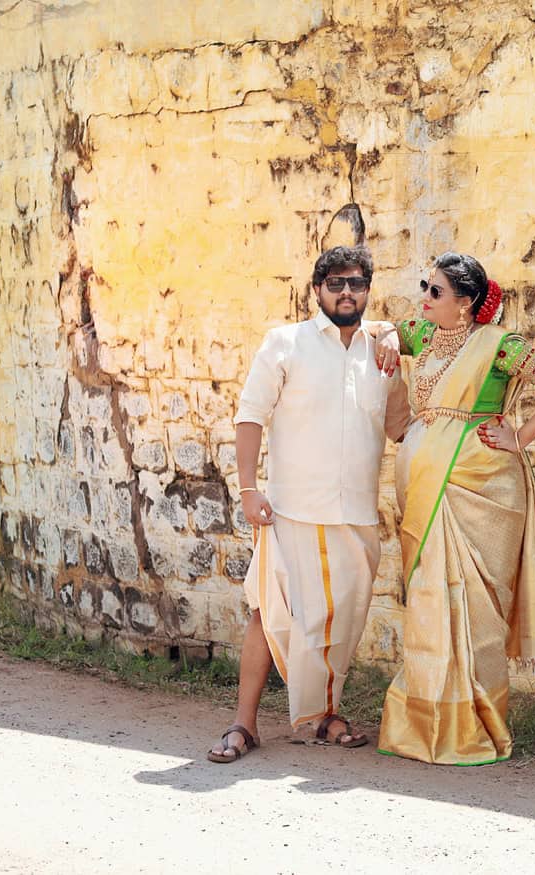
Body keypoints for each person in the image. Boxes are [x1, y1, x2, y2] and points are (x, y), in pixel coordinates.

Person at [377, 252, 535, 766]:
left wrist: (521, 437)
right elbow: (381, 331)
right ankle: (421, 725)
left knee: (477, 608)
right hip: (423, 482)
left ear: (465, 303)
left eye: (435, 292)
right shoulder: (423, 336)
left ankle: (477, 728)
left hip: (482, 485)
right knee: (429, 600)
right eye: (425, 288)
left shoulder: (500, 346)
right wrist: (383, 341)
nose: (424, 299)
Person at [208, 245, 408, 763]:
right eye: (336, 283)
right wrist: (249, 489)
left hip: (357, 514)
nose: (347, 292)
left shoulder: (382, 351)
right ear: (317, 289)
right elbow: (250, 415)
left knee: (342, 622)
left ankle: (322, 716)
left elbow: (401, 426)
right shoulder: (285, 343)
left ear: (368, 289)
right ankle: (243, 724)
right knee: (268, 612)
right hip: (292, 510)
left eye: (357, 283)